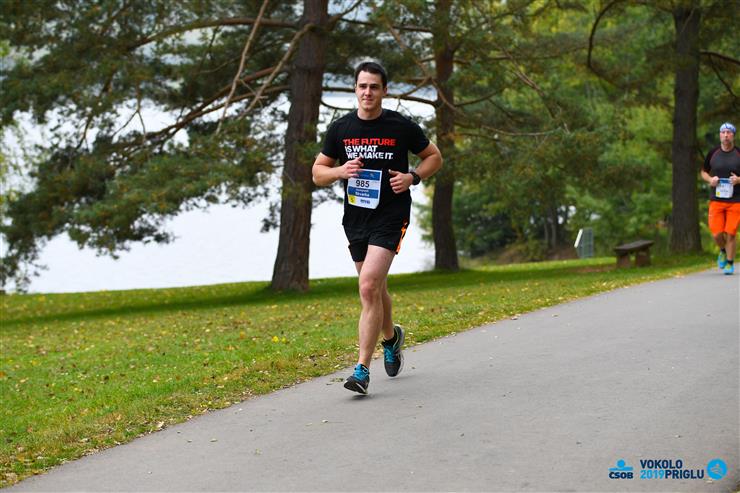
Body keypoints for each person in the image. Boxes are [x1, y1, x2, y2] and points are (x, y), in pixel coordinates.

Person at [312, 61, 443, 394]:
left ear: (384, 90)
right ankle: (391, 338)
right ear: (355, 89)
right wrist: (340, 171)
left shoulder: (400, 126)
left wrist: (413, 176)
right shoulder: (341, 129)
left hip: (391, 215)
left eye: (374, 87)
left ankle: (361, 370)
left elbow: (434, 157)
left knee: (368, 285)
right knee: (376, 288)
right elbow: (317, 173)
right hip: (356, 219)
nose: (367, 92)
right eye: (362, 86)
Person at [701, 122, 740, 275]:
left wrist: (738, 180)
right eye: (723, 132)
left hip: (735, 200)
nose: (726, 135)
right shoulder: (713, 153)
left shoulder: (738, 153)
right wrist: (710, 180)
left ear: (733, 136)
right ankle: (723, 250)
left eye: (729, 133)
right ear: (720, 135)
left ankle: (729, 263)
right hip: (716, 200)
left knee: (731, 233)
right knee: (716, 233)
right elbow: (704, 172)